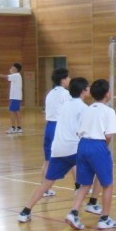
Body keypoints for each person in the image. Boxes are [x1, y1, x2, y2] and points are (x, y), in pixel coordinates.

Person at [18, 77, 94, 223]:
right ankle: (74, 212)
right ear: (83, 90)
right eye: (88, 87)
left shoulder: (65, 105)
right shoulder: (84, 108)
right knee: (87, 183)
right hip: (74, 149)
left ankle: (25, 211)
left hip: (58, 149)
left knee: (46, 183)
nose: (89, 89)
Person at [65, 79, 116, 230]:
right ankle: (105, 218)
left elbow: (79, 130)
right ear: (107, 93)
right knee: (107, 184)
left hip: (82, 145)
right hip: (97, 145)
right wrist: (103, 148)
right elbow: (108, 136)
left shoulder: (87, 109)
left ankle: (74, 212)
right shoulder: (109, 111)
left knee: (85, 184)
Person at [40, 67, 71, 197]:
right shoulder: (65, 94)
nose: (69, 79)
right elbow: (69, 112)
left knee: (48, 160)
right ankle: (80, 186)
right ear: (63, 80)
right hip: (59, 128)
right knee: (73, 157)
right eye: (68, 77)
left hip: (49, 127)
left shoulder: (50, 93)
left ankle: (44, 189)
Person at [0, 63, 23, 134]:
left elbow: (5, 77)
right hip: (16, 97)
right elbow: (9, 77)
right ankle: (19, 128)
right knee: (16, 112)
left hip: (15, 97)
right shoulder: (16, 75)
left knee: (12, 112)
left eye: (12, 67)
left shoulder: (16, 75)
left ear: (16, 69)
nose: (11, 69)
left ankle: (13, 128)